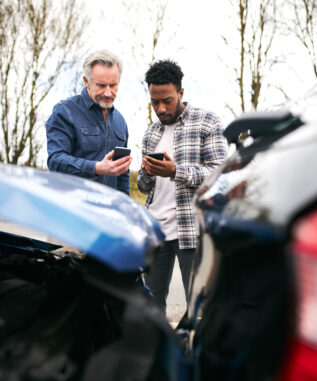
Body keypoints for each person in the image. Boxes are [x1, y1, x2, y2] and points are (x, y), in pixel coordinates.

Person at [137, 59, 227, 313]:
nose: (161, 108)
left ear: (181, 93)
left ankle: (193, 352)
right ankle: (159, 352)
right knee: (150, 309)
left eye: (167, 100)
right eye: (155, 102)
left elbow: (219, 175)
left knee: (198, 307)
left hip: (192, 231)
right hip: (155, 232)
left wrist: (175, 171)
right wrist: (147, 172)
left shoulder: (207, 122)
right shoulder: (151, 133)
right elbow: (145, 188)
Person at [46, 49, 132, 195]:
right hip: (74, 209)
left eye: (113, 85)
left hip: (109, 211)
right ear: (87, 81)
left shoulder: (120, 121)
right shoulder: (64, 112)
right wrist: (96, 168)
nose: (108, 93)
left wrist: (126, 208)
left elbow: (122, 175)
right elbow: (55, 161)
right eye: (101, 85)